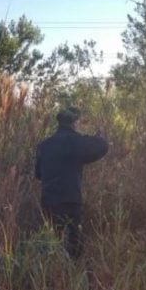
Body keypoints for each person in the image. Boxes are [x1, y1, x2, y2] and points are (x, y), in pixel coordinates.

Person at [35, 107, 108, 259]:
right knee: (74, 241)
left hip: (48, 200)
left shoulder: (44, 145)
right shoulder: (76, 141)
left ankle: (51, 273)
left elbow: (39, 174)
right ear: (75, 122)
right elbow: (100, 148)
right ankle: (73, 273)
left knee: (52, 240)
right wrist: (101, 137)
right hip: (70, 200)